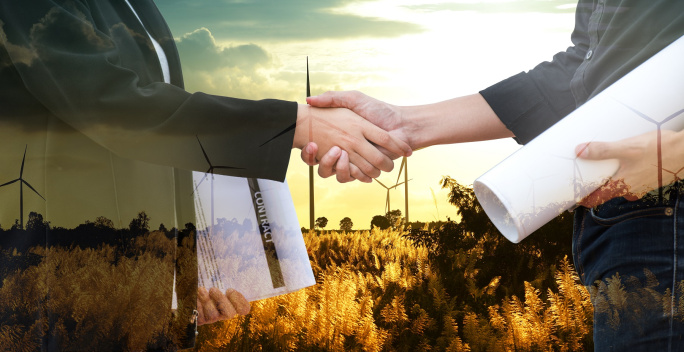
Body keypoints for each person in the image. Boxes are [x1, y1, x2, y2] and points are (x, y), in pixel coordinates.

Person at [0, 0, 409, 350]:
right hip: (56, 296)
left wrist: (181, 280)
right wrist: (297, 125)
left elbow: (160, 143)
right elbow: (107, 104)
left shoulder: (136, 6)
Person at [303, 1, 684, 350]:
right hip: (618, 222)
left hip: (667, 205)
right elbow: (581, 74)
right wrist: (407, 125)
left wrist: (675, 154)